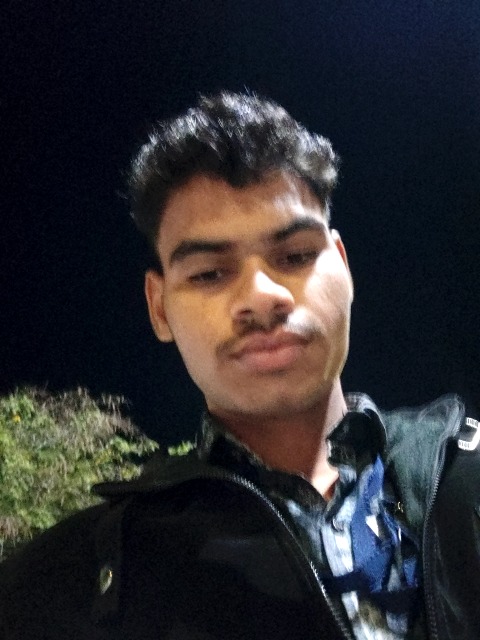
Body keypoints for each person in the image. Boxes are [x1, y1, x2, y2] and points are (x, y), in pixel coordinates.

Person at [0, 91, 479, 640]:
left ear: (344, 267)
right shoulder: (64, 587)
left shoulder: (466, 479)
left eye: (296, 256)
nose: (261, 295)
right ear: (159, 308)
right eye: (209, 273)